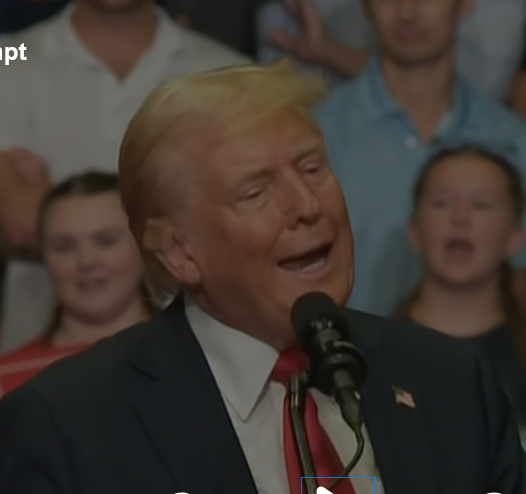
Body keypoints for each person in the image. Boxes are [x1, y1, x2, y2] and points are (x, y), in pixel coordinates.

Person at [0, 61, 524, 494]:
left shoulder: (451, 383)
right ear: (182, 253)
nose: (305, 206)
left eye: (313, 168)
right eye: (255, 192)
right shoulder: (69, 427)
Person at [0, 0, 248, 354]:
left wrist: (51, 208)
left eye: (106, 239)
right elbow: (19, 224)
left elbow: (234, 229)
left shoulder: (225, 71)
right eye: (68, 242)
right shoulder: (11, 56)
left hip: (197, 352)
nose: (90, 256)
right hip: (37, 355)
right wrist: (176, 217)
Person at [315, 0, 526, 317]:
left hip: (478, 360)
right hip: (351, 359)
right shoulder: (318, 138)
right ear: (365, 6)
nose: (407, 11)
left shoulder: (513, 141)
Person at [395, 144, 526, 444]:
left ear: (515, 238)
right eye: (441, 203)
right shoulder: (371, 357)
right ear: (414, 230)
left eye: (481, 204)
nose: (460, 217)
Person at [0, 171, 156, 395]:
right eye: (64, 247)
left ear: (143, 244)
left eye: (106, 241)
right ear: (44, 256)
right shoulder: (7, 379)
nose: (86, 261)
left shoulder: (194, 353)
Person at [258, 0, 526, 101]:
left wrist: (332, 53)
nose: (407, 12)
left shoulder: (504, 12)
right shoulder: (286, 16)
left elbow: (475, 90)